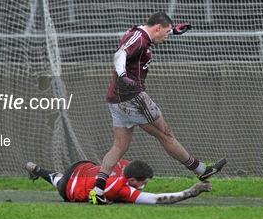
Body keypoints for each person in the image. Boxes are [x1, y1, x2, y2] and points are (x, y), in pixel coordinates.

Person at [91, 12, 226, 205]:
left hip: (115, 99)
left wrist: (174, 29)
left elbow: (145, 34)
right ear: (157, 28)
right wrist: (122, 75)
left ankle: (97, 191)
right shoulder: (139, 39)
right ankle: (202, 171)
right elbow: (120, 54)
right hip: (133, 97)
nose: (168, 36)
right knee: (166, 134)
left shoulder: (141, 33)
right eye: (167, 32)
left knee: (119, 146)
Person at [24, 160, 212, 204]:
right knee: (59, 182)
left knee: (56, 177)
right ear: (131, 180)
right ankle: (39, 171)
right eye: (142, 183)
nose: (143, 186)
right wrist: (190, 192)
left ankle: (37, 169)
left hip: (80, 167)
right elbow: (156, 199)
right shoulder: (121, 189)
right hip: (69, 188)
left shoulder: (124, 163)